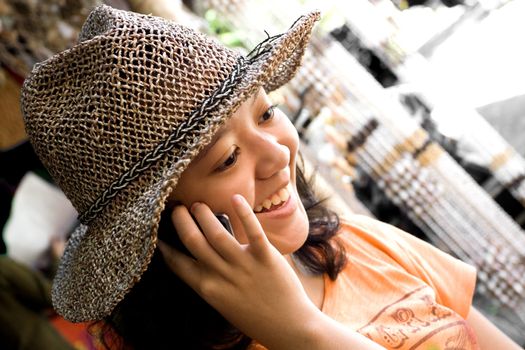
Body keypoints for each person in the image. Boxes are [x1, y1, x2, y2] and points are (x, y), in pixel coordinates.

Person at [20, 5, 522, 350]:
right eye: (226, 159)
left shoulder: (360, 243)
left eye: (266, 115)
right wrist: (299, 333)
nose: (278, 152)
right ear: (157, 226)